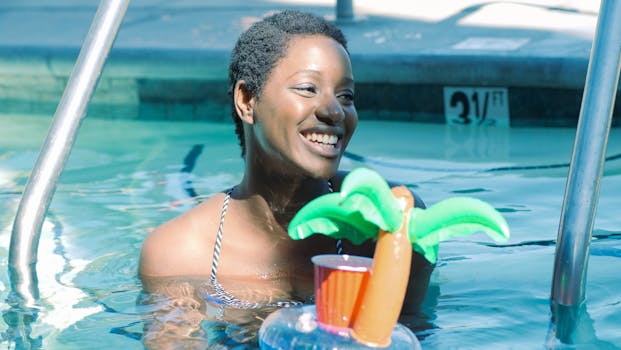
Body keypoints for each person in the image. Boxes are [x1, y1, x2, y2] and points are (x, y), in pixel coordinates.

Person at [138, 10, 433, 347]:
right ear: (247, 100)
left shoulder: (387, 228)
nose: (334, 111)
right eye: (308, 89)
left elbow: (414, 335)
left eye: (346, 96)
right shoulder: (178, 253)